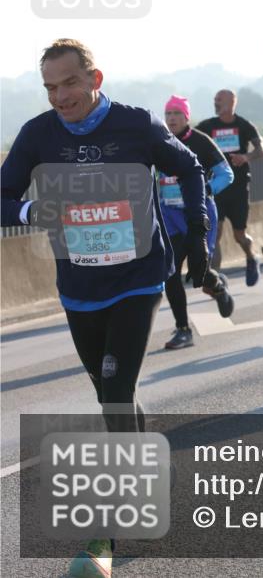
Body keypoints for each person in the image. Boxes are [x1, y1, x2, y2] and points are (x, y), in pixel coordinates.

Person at [1, 39, 209, 576]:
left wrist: (200, 239)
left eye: (69, 83)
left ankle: (109, 530)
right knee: (110, 391)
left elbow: (190, 169)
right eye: (49, 87)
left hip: (138, 279)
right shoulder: (38, 135)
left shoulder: (135, 125)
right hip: (78, 288)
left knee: (115, 389)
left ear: (95, 79)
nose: (59, 96)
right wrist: (28, 206)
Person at [161, 95, 236, 349]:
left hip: (198, 216)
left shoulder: (201, 142)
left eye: (176, 114)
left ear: (186, 117)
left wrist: (205, 190)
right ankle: (183, 330)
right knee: (170, 274)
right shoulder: (158, 142)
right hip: (170, 217)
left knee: (199, 273)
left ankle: (216, 287)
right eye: (168, 114)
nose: (171, 118)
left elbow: (227, 173)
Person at [196, 89, 263, 285]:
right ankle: (215, 279)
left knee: (239, 235)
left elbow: (262, 150)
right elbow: (189, 139)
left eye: (219, 100)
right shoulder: (207, 126)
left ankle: (251, 257)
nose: (216, 103)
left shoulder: (244, 125)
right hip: (217, 187)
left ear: (231, 103)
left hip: (238, 188)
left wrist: (246, 157)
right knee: (215, 232)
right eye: (214, 100)